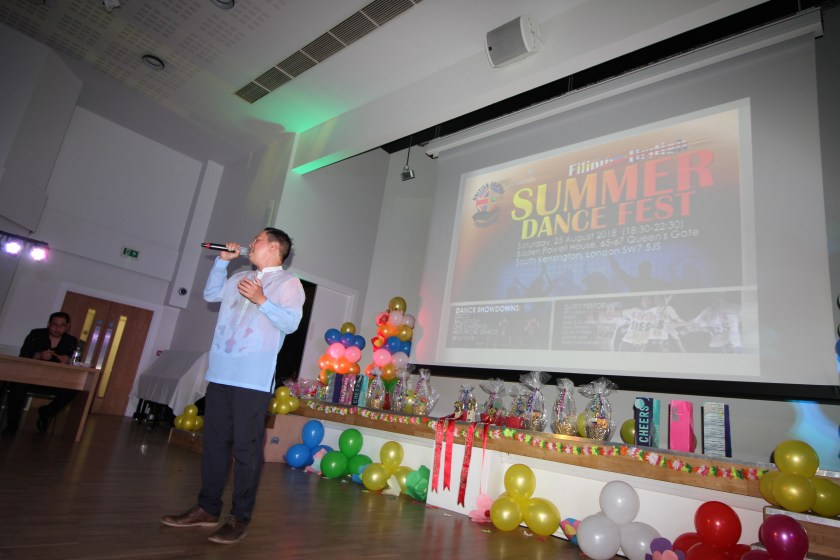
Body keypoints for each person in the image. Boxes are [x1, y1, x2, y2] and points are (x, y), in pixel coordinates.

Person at [161, 228, 305, 545]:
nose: (250, 244)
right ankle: (207, 508)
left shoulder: (288, 283)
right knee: (213, 444)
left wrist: (262, 300)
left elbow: (291, 323)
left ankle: (239, 517)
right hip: (221, 373)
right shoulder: (239, 276)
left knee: (246, 450)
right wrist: (221, 263)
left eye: (257, 240)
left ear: (274, 247)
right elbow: (211, 295)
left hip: (252, 380)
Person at [2, 311, 79, 435]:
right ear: (48, 324)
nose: (57, 328)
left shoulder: (71, 341)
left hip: (55, 381)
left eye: (62, 325)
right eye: (54, 324)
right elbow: (23, 355)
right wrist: (37, 355)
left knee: (72, 390)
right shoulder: (36, 334)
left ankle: (46, 412)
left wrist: (68, 360)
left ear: (67, 327)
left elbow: (73, 362)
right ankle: (12, 425)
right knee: (17, 386)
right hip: (29, 378)